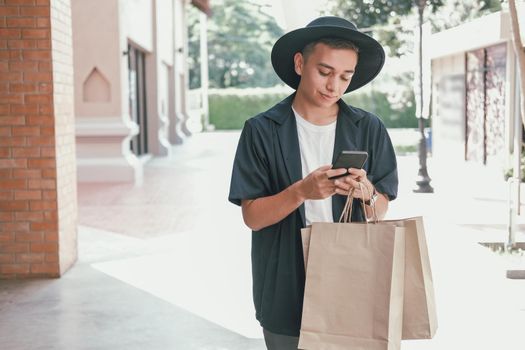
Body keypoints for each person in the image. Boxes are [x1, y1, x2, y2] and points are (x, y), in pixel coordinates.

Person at [228, 16, 398, 349]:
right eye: (324, 72)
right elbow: (252, 217)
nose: (334, 86)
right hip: (285, 280)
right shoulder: (261, 130)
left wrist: (367, 193)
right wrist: (301, 192)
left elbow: (382, 206)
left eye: (345, 77)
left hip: (353, 274)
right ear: (299, 63)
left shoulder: (369, 128)